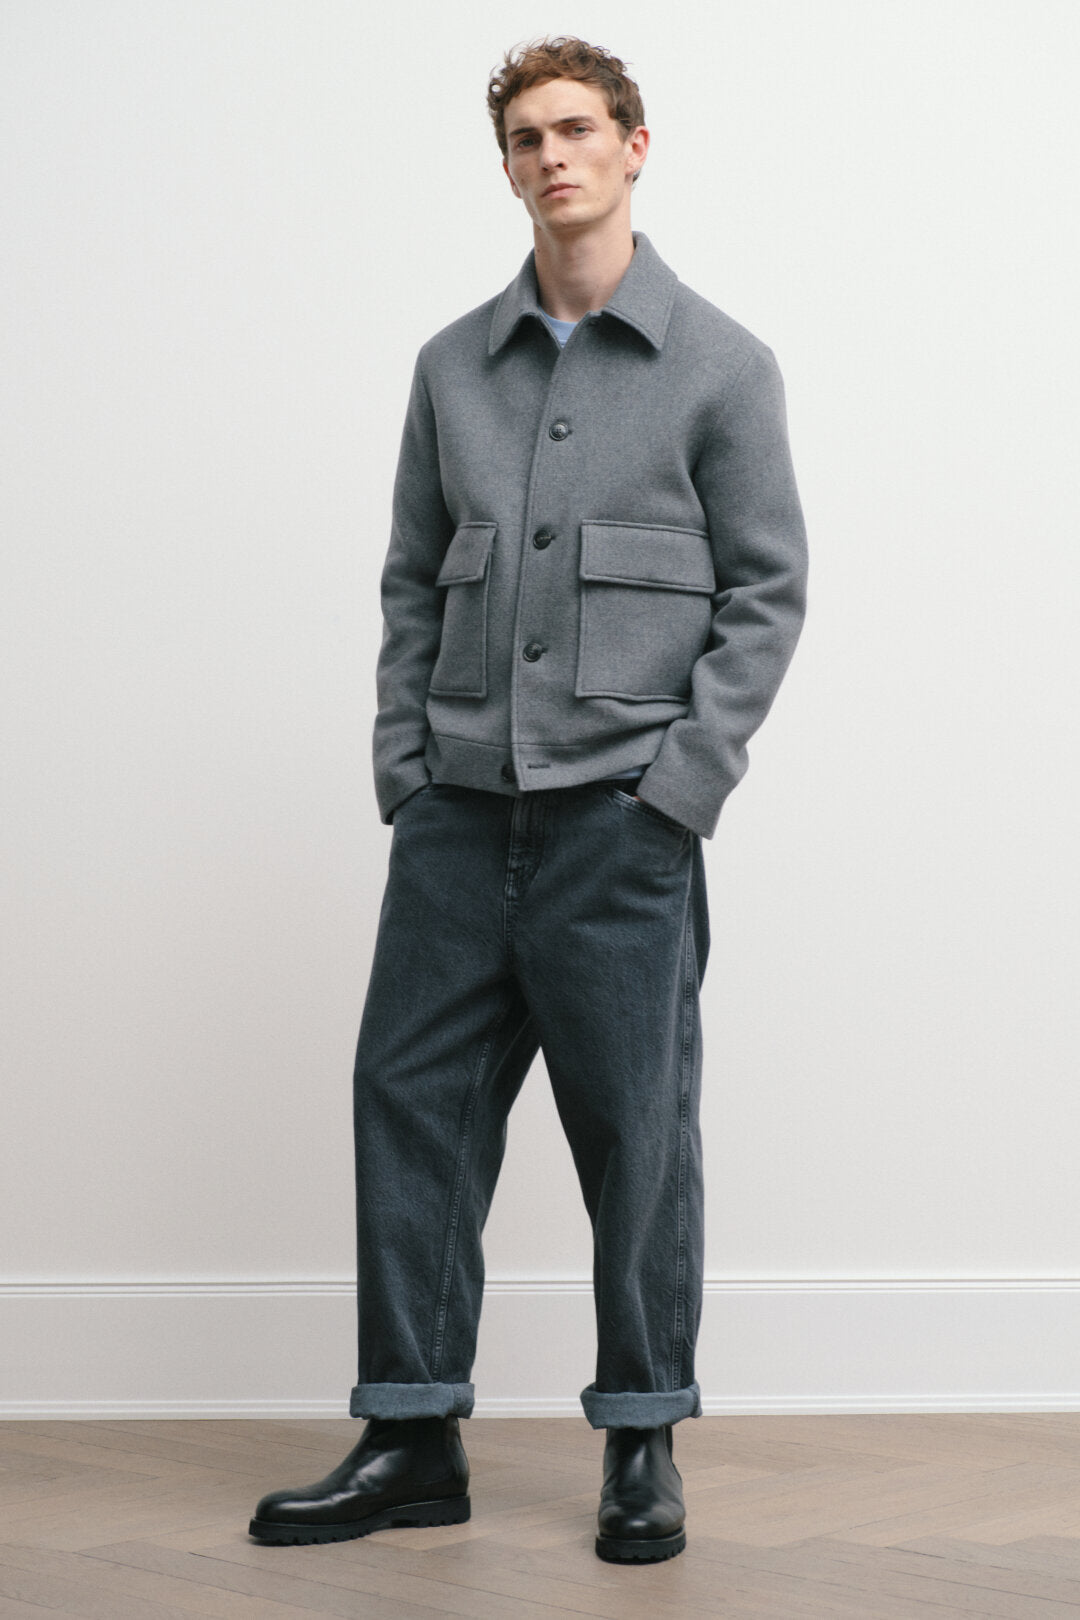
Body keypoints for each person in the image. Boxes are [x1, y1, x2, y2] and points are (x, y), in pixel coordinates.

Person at [249, 33, 807, 1564]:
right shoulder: (451, 369)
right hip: (455, 819)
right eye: (524, 138)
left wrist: (679, 790)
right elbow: (409, 583)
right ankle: (411, 1434)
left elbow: (766, 595)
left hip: (621, 828)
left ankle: (642, 1442)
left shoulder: (722, 367)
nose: (551, 155)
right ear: (505, 169)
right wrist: (405, 769)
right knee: (408, 1108)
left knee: (639, 1138)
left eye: (576, 129)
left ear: (635, 146)